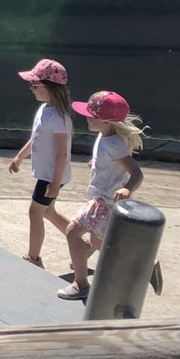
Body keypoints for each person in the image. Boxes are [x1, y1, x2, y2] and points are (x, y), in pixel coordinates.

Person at [57, 90, 147, 301]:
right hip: (104, 199)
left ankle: (80, 284)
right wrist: (98, 164)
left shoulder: (113, 144)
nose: (86, 117)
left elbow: (137, 173)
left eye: (91, 115)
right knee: (100, 243)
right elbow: (111, 162)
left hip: (105, 202)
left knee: (73, 232)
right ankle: (144, 267)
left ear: (106, 121)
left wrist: (127, 189)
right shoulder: (105, 136)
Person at [7, 58, 73, 268]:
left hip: (50, 176)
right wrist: (20, 156)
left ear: (50, 88)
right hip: (47, 174)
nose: (32, 88)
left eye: (35, 85)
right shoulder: (44, 110)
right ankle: (83, 242)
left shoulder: (59, 118)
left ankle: (33, 258)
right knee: (48, 212)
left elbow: (62, 154)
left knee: (35, 212)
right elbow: (36, 138)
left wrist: (54, 183)